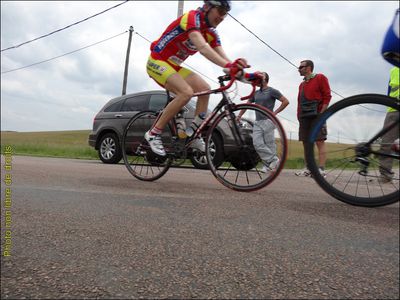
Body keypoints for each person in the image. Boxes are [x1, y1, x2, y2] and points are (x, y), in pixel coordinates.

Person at [145, 0, 249, 156]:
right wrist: (231, 66)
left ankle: (194, 135)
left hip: (173, 67)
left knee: (205, 89)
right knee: (186, 93)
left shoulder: (211, 33)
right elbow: (203, 48)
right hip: (157, 61)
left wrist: (248, 76)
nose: (222, 17)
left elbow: (226, 62)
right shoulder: (192, 18)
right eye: (220, 11)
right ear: (207, 7)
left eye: (225, 14)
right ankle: (153, 133)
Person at [237, 72, 289, 172]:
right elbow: (247, 104)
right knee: (257, 143)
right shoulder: (255, 93)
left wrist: (275, 112)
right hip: (258, 122)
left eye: (261, 75)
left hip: (268, 121)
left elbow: (285, 101)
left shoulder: (272, 91)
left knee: (269, 143)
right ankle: (273, 160)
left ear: (265, 79)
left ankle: (268, 166)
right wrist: (239, 115)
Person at [294, 60, 331, 177]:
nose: (299, 69)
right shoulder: (302, 84)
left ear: (309, 67)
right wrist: (299, 116)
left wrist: (322, 113)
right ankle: (308, 168)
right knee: (306, 143)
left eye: (301, 67)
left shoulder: (320, 77)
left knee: (319, 141)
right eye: (299, 67)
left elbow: (327, 96)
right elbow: (299, 102)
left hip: (317, 115)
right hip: (304, 117)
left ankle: (321, 169)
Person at [379, 66, 399, 183]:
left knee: (387, 142)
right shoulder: (393, 70)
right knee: (386, 141)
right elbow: (389, 90)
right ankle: (385, 174)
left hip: (393, 110)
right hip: (394, 110)